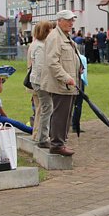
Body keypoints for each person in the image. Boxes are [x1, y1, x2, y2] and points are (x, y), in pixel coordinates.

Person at [43, 9, 82, 156]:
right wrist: (66, 77)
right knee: (60, 115)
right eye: (68, 20)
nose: (71, 23)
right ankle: (57, 144)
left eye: (72, 20)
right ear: (59, 21)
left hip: (69, 84)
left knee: (66, 115)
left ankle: (61, 142)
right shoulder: (55, 37)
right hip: (61, 85)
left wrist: (79, 67)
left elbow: (69, 58)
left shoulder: (65, 36)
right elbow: (52, 63)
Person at [29, 21, 54, 147]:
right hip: (40, 82)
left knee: (45, 108)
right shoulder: (39, 46)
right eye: (49, 29)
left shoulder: (38, 44)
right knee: (47, 108)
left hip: (38, 81)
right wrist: (46, 83)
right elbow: (40, 67)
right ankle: (43, 138)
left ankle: (42, 136)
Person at [71, 52, 88, 135]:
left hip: (74, 82)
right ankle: (75, 125)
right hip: (77, 82)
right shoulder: (81, 58)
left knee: (75, 105)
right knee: (78, 105)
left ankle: (74, 124)